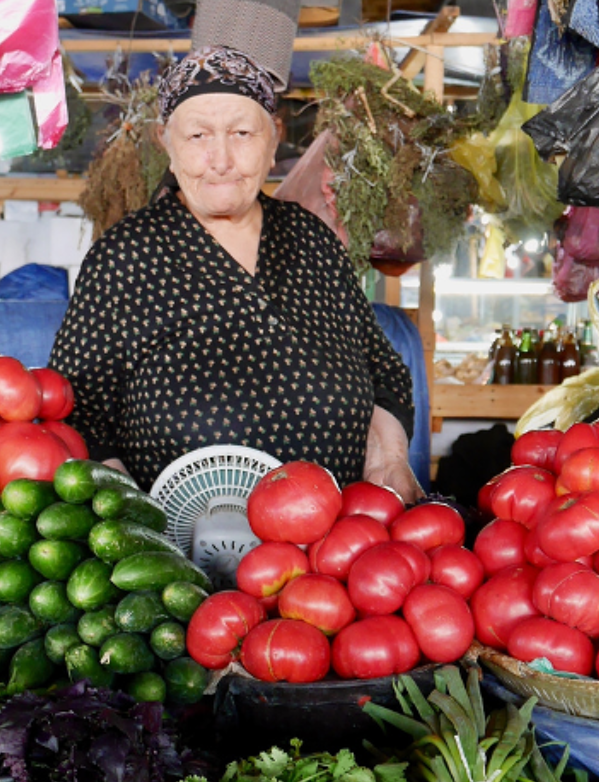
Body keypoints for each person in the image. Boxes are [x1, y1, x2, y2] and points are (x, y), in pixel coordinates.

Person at [49, 47, 422, 499]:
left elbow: (383, 373)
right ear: (167, 145)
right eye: (198, 136)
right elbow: (75, 412)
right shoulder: (125, 257)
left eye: (242, 133)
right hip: (174, 555)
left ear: (273, 141)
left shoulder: (312, 240)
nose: (221, 159)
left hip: (333, 545)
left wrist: (389, 461)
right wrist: (130, 524)